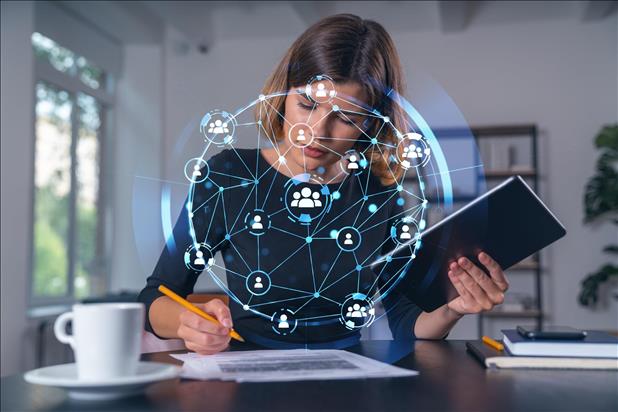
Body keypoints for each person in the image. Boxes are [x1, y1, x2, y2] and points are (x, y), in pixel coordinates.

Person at [138, 14, 509, 355]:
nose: (316, 133)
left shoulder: (378, 191)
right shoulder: (227, 176)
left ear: (370, 125)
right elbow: (155, 297)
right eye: (306, 104)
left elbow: (403, 319)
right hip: (247, 375)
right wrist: (186, 323)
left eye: (346, 118)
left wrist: (453, 309)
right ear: (282, 94)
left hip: (349, 378)